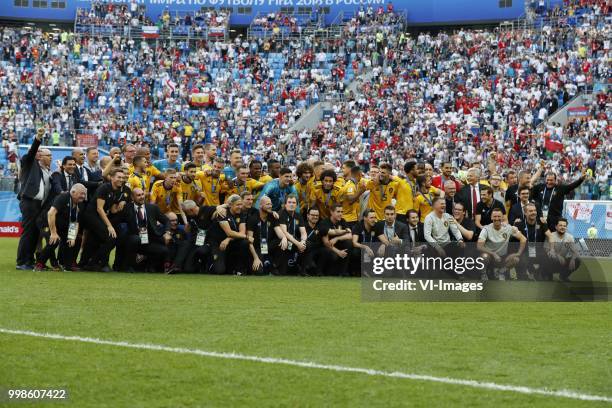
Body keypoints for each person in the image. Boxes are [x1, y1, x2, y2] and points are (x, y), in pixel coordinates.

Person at [82, 168, 131, 272]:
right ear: (111, 177)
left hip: (100, 216)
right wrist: (109, 226)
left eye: (122, 177)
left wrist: (123, 202)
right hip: (91, 215)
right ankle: (92, 263)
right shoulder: (104, 187)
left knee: (94, 239)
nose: (121, 179)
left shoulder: (118, 190)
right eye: (119, 177)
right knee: (111, 238)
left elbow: (112, 210)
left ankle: (85, 263)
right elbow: (99, 209)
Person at [16, 128, 52, 270]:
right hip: (29, 201)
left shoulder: (40, 167)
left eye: (41, 153)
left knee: (34, 233)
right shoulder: (27, 161)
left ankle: (29, 260)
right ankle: (21, 262)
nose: (39, 153)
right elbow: (32, 151)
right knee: (28, 233)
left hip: (38, 204)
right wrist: (38, 137)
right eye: (38, 151)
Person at [34, 184, 87, 272]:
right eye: (81, 193)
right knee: (54, 240)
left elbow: (75, 222)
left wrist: (72, 236)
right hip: (46, 222)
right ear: (73, 192)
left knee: (75, 239)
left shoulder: (80, 204)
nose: (83, 196)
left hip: (61, 225)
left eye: (84, 194)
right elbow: (51, 213)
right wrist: (54, 233)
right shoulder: (63, 197)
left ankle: (67, 264)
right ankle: (39, 264)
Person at [120, 188, 171, 273]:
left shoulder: (152, 208)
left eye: (142, 194)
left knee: (163, 250)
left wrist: (167, 232)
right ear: (132, 197)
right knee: (135, 239)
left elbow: (166, 221)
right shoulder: (127, 208)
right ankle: (128, 266)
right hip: (133, 240)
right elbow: (119, 220)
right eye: (138, 195)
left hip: (150, 240)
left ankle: (151, 266)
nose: (141, 197)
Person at [207, 194, 251, 275]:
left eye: (241, 204)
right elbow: (229, 232)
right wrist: (246, 236)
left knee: (245, 243)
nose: (240, 207)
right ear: (230, 205)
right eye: (238, 204)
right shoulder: (222, 212)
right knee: (219, 271)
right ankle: (208, 264)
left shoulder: (241, 213)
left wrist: (228, 239)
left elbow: (241, 232)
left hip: (230, 241)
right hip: (218, 243)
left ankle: (240, 270)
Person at [477, 208, 526, 281]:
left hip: (503, 257)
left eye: (499, 216)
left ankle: (501, 272)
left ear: (502, 217)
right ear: (491, 217)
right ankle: (483, 274)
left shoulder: (508, 228)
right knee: (484, 256)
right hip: (490, 257)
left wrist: (518, 253)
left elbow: (523, 239)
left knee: (515, 259)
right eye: (495, 216)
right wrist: (493, 253)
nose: (497, 218)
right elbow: (479, 246)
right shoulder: (486, 229)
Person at [423, 198, 465, 278]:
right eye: (441, 203)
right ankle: (450, 272)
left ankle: (459, 272)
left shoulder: (448, 216)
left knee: (460, 246)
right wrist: (438, 247)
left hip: (447, 244)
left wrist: (460, 239)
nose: (444, 205)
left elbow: (455, 230)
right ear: (435, 206)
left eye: (444, 204)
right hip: (434, 246)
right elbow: (427, 235)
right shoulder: (429, 217)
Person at [247, 195, 285, 275]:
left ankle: (274, 266)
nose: (270, 206)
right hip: (257, 247)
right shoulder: (253, 218)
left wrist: (284, 238)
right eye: (267, 204)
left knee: (283, 242)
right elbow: (249, 241)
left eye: (271, 204)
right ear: (260, 205)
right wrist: (256, 258)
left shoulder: (272, 217)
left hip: (267, 246)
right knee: (259, 272)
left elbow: (279, 233)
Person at [514, 203, 551, 280]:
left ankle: (538, 272)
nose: (533, 212)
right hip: (525, 251)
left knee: (548, 258)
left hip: (538, 250)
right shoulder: (519, 223)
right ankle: (523, 273)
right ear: (525, 213)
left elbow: (550, 236)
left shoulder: (541, 222)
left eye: (535, 210)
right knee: (522, 273)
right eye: (530, 211)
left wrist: (552, 249)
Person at [319, 204, 353, 276]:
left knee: (349, 243)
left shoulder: (343, 221)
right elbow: (326, 243)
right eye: (338, 212)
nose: (340, 214)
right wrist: (338, 252)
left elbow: (350, 235)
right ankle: (322, 272)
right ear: (331, 212)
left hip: (337, 246)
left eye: (341, 212)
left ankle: (343, 272)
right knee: (333, 255)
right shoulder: (324, 223)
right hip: (327, 248)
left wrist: (337, 238)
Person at [277, 194, 307, 275]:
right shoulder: (281, 214)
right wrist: (298, 244)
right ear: (285, 204)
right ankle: (281, 270)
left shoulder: (298, 215)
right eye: (289, 202)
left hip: (294, 240)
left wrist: (303, 242)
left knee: (307, 245)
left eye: (293, 202)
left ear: (297, 205)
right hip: (284, 239)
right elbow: (285, 232)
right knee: (285, 243)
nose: (291, 204)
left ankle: (303, 270)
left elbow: (303, 232)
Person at [546, 218, 580, 282]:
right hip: (552, 261)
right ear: (556, 227)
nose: (563, 227)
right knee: (552, 256)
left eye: (564, 226)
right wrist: (558, 256)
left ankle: (563, 276)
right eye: (560, 225)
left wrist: (573, 259)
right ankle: (548, 275)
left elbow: (576, 252)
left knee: (577, 260)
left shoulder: (570, 237)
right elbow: (546, 251)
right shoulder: (551, 236)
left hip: (563, 261)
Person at [351, 208, 380, 274]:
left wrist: (383, 245)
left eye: (375, 217)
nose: (374, 220)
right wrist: (365, 247)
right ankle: (356, 271)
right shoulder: (358, 226)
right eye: (371, 218)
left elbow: (383, 240)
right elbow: (354, 243)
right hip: (361, 249)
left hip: (373, 249)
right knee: (355, 252)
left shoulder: (377, 226)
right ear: (365, 218)